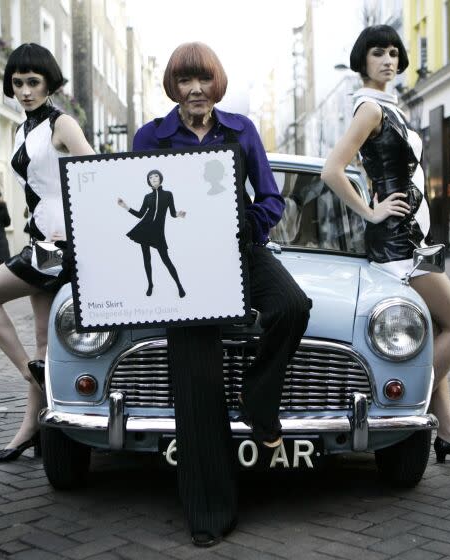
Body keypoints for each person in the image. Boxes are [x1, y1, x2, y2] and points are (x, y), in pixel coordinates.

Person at [132, 42, 311, 547]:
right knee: (196, 383)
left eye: (203, 80)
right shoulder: (151, 137)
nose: (195, 90)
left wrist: (245, 228)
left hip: (239, 250)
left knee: (292, 307)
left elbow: (271, 198)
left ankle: (257, 399)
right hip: (182, 268)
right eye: (185, 81)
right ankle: (209, 512)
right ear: (173, 87)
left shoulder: (241, 131)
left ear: (216, 84)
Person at [321, 25, 450, 466]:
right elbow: (332, 170)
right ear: (363, 60)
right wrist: (371, 211)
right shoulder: (369, 108)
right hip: (399, 242)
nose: (389, 60)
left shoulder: (386, 105)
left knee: (434, 328)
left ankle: (449, 433)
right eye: (379, 53)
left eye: (394, 53)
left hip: (413, 238)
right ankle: (398, 398)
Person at [0, 43, 95, 463]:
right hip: (42, 241)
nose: (24, 90)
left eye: (33, 82)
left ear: (49, 83)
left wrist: (76, 228)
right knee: (43, 340)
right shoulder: (23, 129)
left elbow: (97, 175)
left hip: (60, 245)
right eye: (17, 83)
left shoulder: (63, 124)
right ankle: (31, 429)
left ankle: (30, 372)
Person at [117, 170, 187, 297]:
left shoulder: (168, 195)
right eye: (150, 177)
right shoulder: (147, 197)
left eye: (156, 176)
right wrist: (125, 206)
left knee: (166, 260)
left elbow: (172, 213)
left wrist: (178, 214)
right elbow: (140, 214)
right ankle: (150, 284)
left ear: (160, 178)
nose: (153, 178)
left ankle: (179, 286)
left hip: (158, 232)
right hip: (144, 229)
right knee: (146, 259)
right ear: (148, 181)